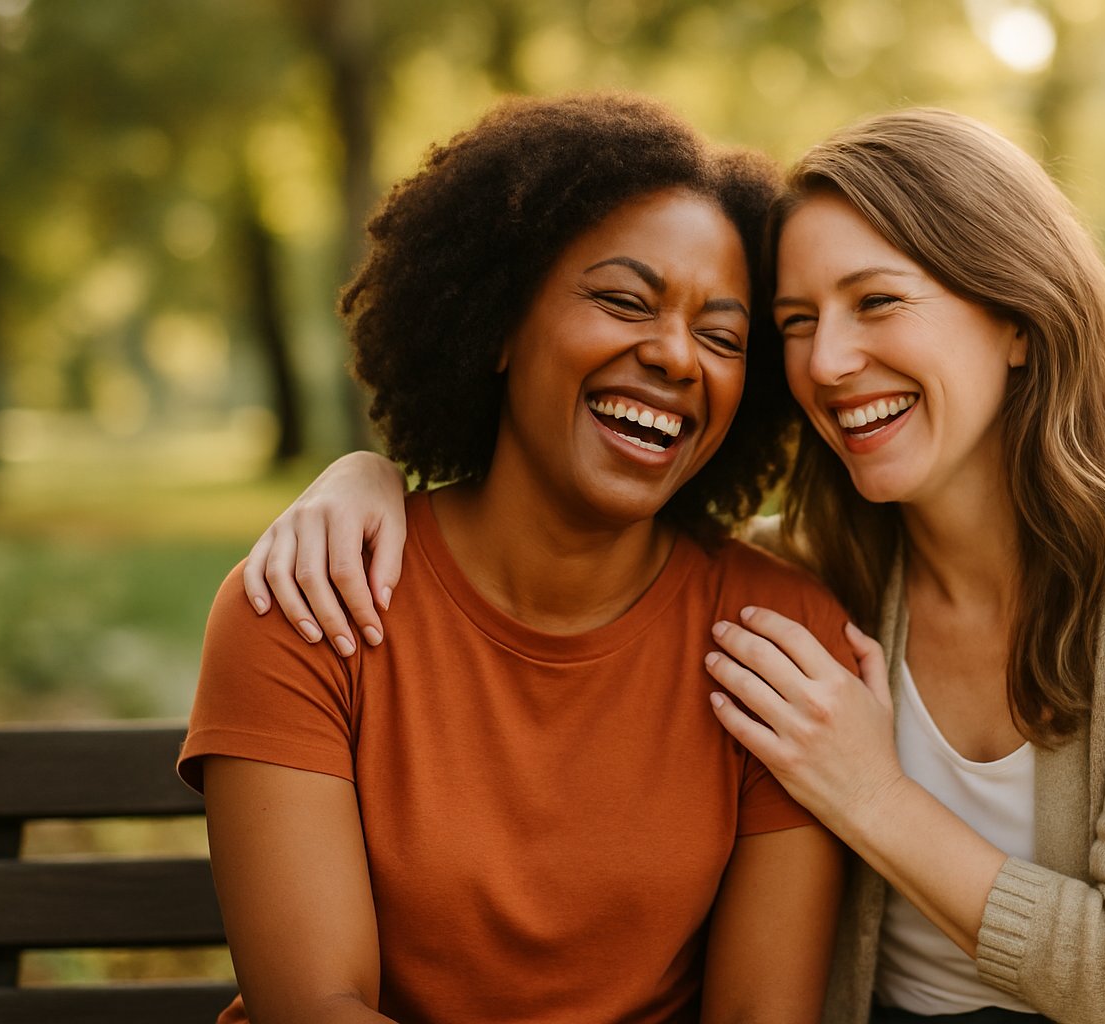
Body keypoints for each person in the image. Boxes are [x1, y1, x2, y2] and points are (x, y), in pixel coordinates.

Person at [244, 108, 1105, 1023]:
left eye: (878, 302)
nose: (828, 362)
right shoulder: (816, 580)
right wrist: (367, 475)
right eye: (792, 322)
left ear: (1020, 317)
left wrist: (869, 790)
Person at [180, 93, 854, 1024]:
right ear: (498, 323)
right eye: (624, 300)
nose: (674, 356)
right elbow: (318, 1006)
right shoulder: (307, 606)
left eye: (722, 337)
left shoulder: (775, 640)